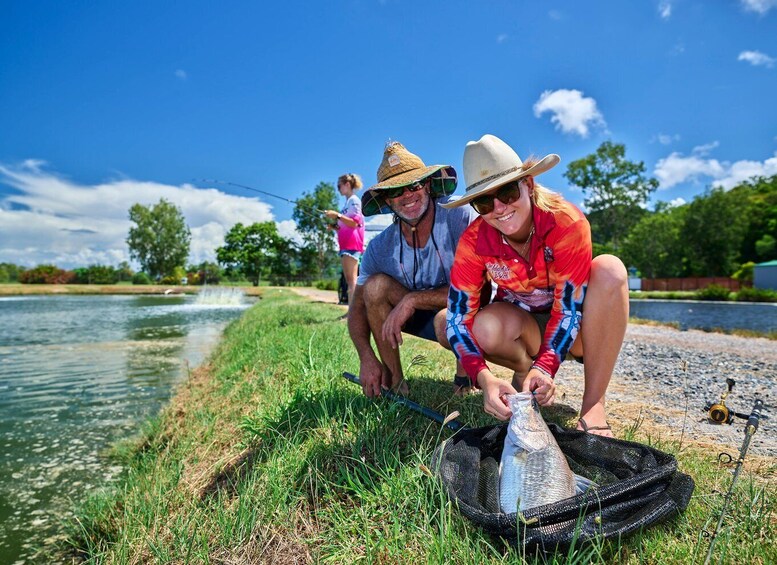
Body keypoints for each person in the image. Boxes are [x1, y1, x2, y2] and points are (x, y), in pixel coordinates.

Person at [444, 134, 628, 436]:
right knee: (483, 327)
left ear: (528, 185)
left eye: (507, 192)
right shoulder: (474, 241)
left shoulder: (565, 221)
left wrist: (546, 366)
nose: (499, 208)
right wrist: (484, 378)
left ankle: (594, 405)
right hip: (523, 325)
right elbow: (456, 318)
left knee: (610, 269)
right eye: (484, 202)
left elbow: (569, 308)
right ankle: (522, 372)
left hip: (578, 327)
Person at [348, 141, 477, 398]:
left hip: (462, 311)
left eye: (414, 185)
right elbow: (356, 309)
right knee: (373, 288)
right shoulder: (378, 248)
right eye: (396, 191)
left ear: (427, 185)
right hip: (413, 316)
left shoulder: (460, 216)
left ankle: (464, 379)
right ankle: (396, 383)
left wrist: (413, 299)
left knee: (449, 320)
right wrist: (366, 356)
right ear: (386, 200)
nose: (407, 195)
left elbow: (476, 290)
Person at [324, 173, 365, 305]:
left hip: (352, 245)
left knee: (352, 281)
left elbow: (354, 223)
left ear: (347, 185)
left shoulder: (354, 200)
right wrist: (334, 227)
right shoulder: (347, 203)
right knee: (349, 281)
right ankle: (351, 312)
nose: (338, 189)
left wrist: (337, 215)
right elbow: (346, 226)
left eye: (339, 186)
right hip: (345, 245)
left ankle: (353, 314)